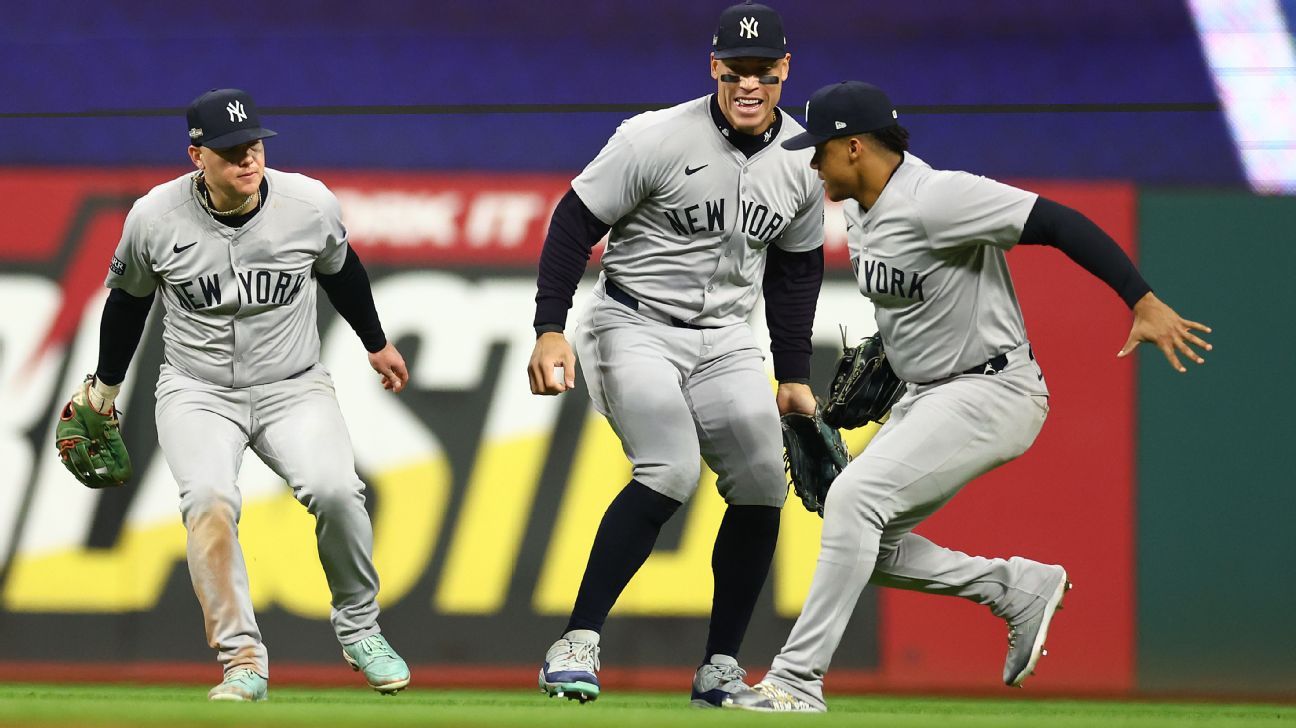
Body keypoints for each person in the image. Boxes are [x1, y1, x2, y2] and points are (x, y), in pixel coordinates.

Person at [727, 81, 1213, 713]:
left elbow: (1059, 223)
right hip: (930, 392)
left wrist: (1141, 300)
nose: (812, 161)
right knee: (864, 540)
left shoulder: (938, 197)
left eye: (819, 149)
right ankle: (1013, 587)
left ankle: (796, 681)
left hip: (993, 387)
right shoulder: (860, 207)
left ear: (853, 148)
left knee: (853, 499)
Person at [525, 1, 826, 707]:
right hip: (634, 323)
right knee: (669, 468)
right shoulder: (653, 137)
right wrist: (549, 326)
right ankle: (576, 642)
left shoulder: (804, 159)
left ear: (785, 71)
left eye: (764, 71)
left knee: (761, 479)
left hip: (725, 338)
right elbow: (574, 223)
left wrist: (793, 376)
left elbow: (795, 271)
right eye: (736, 69)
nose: (749, 84)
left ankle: (720, 665)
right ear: (714, 67)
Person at [68, 88, 412, 702]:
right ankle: (242, 660)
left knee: (337, 491)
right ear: (197, 155)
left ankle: (361, 629)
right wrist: (105, 387)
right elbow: (128, 302)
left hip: (293, 385)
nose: (247, 160)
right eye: (230, 152)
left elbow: (343, 270)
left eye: (252, 146)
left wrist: (376, 343)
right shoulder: (155, 217)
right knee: (208, 501)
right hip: (196, 390)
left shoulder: (308, 203)